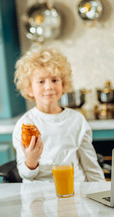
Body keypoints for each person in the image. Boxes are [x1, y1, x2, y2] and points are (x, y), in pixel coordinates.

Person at [12, 48, 105, 183]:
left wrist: (101, 192)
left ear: (64, 84)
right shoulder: (25, 124)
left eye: (55, 80)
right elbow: (25, 175)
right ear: (29, 89)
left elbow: (90, 166)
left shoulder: (76, 120)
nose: (49, 86)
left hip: (76, 190)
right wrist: (31, 160)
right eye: (41, 81)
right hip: (39, 195)